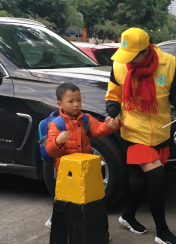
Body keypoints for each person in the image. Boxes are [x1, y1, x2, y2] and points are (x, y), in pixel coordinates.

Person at [105, 28, 176, 244]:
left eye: (133, 56)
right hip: (133, 130)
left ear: (146, 50)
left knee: (147, 180)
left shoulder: (169, 63)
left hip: (160, 130)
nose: (128, 60)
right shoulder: (119, 65)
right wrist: (112, 114)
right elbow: (113, 96)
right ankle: (162, 232)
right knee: (157, 178)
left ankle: (128, 215)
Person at [45, 82, 120, 228]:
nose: (76, 104)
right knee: (68, 198)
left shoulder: (85, 119)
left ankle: (90, 231)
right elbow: (51, 151)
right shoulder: (57, 124)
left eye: (78, 100)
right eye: (71, 101)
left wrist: (111, 125)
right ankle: (56, 221)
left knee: (87, 198)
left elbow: (99, 129)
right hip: (67, 171)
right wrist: (58, 142)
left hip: (85, 168)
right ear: (60, 104)